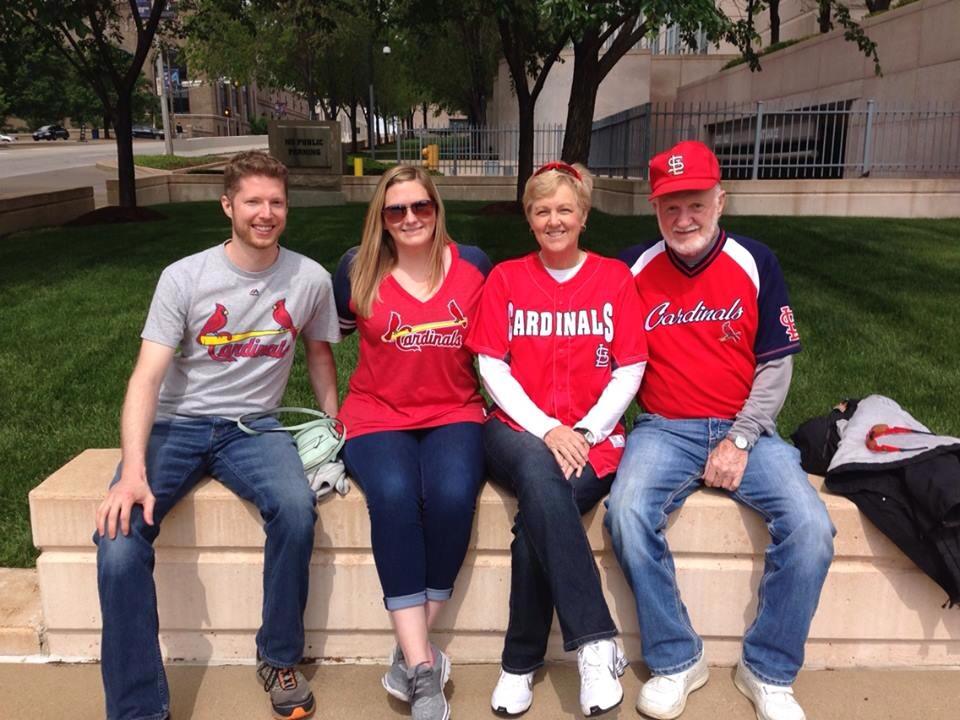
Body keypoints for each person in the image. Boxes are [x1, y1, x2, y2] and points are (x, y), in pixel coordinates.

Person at [94, 151, 339, 720]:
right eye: (253, 201)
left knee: (297, 509)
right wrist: (132, 473)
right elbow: (146, 377)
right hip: (177, 425)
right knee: (119, 541)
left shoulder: (309, 278)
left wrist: (333, 425)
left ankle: (278, 657)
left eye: (276, 202)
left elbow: (320, 357)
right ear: (228, 205)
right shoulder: (184, 277)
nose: (266, 212)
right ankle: (137, 708)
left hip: (254, 428)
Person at [605, 140, 835, 720]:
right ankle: (677, 659)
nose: (684, 219)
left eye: (696, 203)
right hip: (663, 427)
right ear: (655, 210)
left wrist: (741, 437)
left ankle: (769, 671)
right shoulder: (632, 266)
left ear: (720, 200)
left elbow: (777, 363)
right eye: (669, 207)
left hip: (748, 429)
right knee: (627, 513)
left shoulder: (756, 260)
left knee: (811, 528)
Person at [466, 161, 649, 717]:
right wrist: (548, 429)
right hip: (516, 430)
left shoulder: (614, 278)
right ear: (529, 219)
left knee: (538, 521)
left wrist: (587, 430)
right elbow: (491, 366)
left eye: (564, 209)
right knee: (543, 478)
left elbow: (630, 365)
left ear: (584, 215)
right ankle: (596, 640)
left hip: (596, 437)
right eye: (542, 210)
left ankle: (519, 662)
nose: (554, 219)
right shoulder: (506, 279)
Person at [333, 165, 491, 720]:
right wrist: (331, 413)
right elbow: (325, 342)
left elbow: (495, 349)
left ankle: (410, 647)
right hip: (377, 415)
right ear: (382, 216)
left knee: (451, 496)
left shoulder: (472, 266)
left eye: (420, 206)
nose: (410, 218)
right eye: (396, 209)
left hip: (455, 410)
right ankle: (425, 671)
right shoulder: (356, 270)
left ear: (436, 208)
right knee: (396, 496)